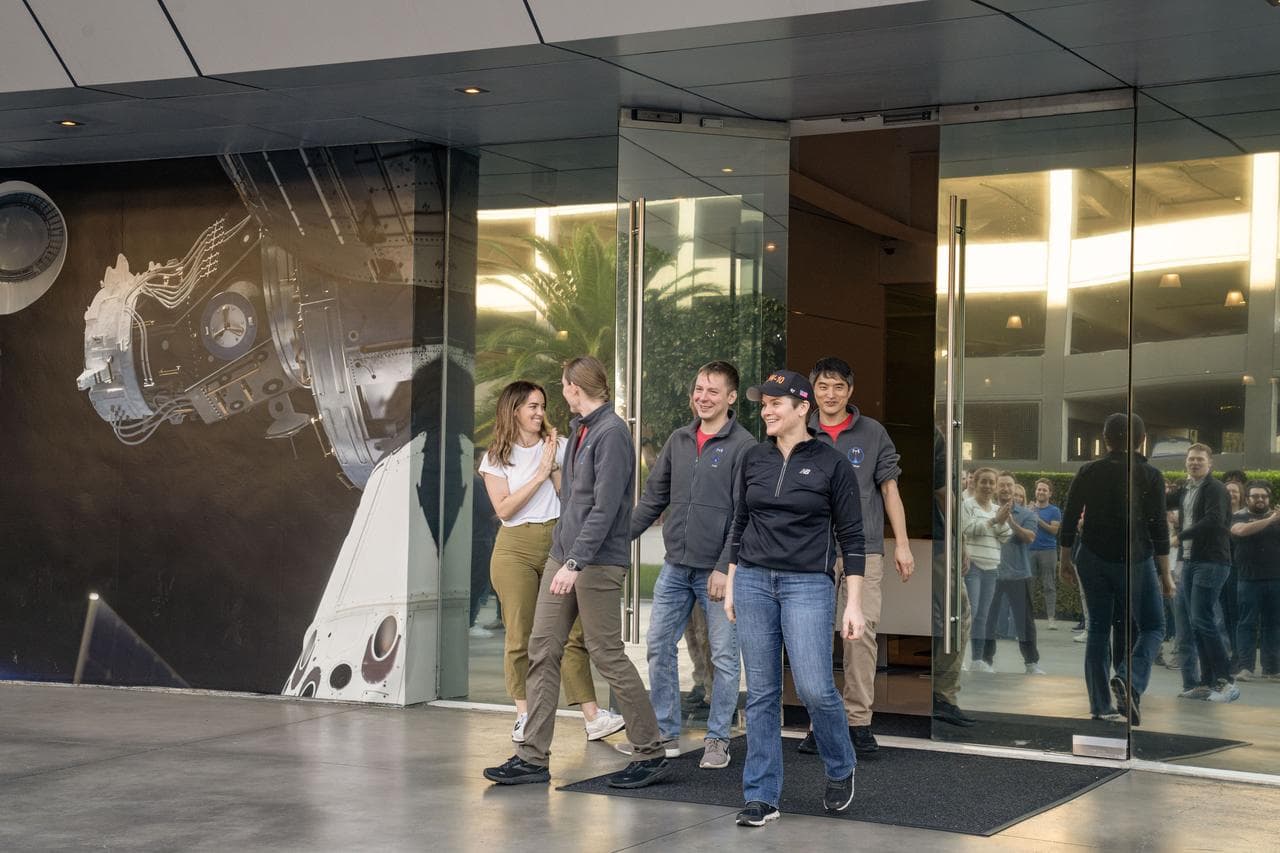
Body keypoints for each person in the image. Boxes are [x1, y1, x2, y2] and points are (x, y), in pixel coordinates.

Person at [484, 357, 671, 788]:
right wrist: (562, 555)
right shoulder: (580, 431)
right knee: (542, 648)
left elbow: (606, 509)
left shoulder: (611, 433)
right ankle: (532, 757)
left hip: (596, 562)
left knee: (606, 653)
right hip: (563, 555)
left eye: (563, 386)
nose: (558, 395)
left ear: (573, 387)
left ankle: (650, 750)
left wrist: (575, 561)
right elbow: (571, 501)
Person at [724, 369, 865, 827]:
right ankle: (761, 796)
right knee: (762, 692)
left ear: (802, 408)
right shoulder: (753, 459)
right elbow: (739, 522)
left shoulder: (831, 463)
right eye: (762, 403)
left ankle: (840, 764)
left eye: (775, 403)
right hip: (753, 581)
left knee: (813, 688)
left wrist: (854, 603)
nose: (765, 410)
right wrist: (731, 579)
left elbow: (853, 537)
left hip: (808, 584)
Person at [477, 381, 623, 745]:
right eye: (532, 407)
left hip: (558, 542)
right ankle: (524, 715)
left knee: (573, 634)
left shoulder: (557, 446)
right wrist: (541, 472)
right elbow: (504, 508)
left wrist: (555, 466)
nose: (540, 412)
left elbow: (568, 495)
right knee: (520, 634)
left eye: (542, 405)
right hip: (515, 547)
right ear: (514, 411)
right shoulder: (496, 457)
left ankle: (592, 717)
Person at [623, 361, 754, 769]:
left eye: (713, 391)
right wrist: (616, 539)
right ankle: (665, 730)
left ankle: (718, 738)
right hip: (676, 567)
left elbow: (742, 513)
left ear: (731, 398)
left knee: (724, 656)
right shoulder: (679, 440)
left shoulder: (744, 446)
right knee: (658, 645)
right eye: (699, 389)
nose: (703, 397)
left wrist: (723, 566)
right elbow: (652, 498)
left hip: (716, 571)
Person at [794, 356, 913, 757]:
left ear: (850, 391)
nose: (830, 395)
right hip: (812, 552)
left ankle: (858, 721)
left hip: (864, 550)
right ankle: (819, 723)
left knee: (860, 636)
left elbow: (890, 490)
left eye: (838, 387)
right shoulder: (799, 430)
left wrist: (902, 543)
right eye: (823, 387)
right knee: (814, 637)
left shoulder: (872, 432)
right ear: (813, 390)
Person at [1059, 413, 1172, 723]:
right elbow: (1158, 526)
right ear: (1142, 439)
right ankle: (1129, 680)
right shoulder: (1149, 475)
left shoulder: (1089, 470)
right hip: (1134, 560)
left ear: (1106, 440)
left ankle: (1100, 705)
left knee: (1097, 627)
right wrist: (1165, 573)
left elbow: (1070, 516)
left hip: (1092, 556)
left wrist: (1065, 559)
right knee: (1152, 626)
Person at [1168, 443, 1239, 702]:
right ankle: (1207, 683)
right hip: (1189, 561)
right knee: (1196, 623)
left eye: (1199, 460)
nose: (1194, 463)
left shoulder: (1216, 489)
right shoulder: (1186, 488)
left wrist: (1180, 536)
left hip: (1211, 562)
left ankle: (1225, 679)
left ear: (1210, 464)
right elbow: (1161, 501)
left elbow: (1214, 520)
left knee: (1202, 619)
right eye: (1190, 459)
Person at [980, 473, 1044, 674]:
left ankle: (1031, 663)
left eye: (1009, 485)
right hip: (991, 574)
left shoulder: (1027, 515)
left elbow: (1030, 538)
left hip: (1019, 575)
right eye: (1002, 485)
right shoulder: (985, 511)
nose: (1006, 489)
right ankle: (985, 660)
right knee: (987, 620)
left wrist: (1011, 522)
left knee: (1024, 622)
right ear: (997, 488)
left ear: (1015, 488)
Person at [960, 468, 1011, 670]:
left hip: (991, 568)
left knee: (983, 615)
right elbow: (968, 529)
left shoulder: (996, 508)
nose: (988, 486)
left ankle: (977, 660)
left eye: (992, 482)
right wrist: (994, 522)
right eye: (984, 482)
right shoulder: (967, 506)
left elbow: (1006, 536)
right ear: (975, 483)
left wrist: (997, 521)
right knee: (969, 613)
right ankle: (961, 658)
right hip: (973, 567)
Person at [1229, 481, 1280, 681]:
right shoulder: (1239, 516)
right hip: (1248, 580)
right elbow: (1241, 531)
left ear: (1269, 499)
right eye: (1255, 496)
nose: (1260, 499)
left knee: (1273, 624)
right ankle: (1245, 668)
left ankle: (1272, 669)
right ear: (1247, 499)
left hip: (1276, 579)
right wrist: (1273, 518)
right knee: (1247, 624)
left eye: (1264, 496)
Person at [1029, 478, 1063, 629]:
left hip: (1048, 551)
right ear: (1035, 491)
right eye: (1039, 489)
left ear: (1050, 494)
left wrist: (1037, 519)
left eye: (1044, 490)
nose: (1041, 492)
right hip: (1029, 550)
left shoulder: (1054, 510)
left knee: (1049, 585)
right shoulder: (1028, 508)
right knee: (1028, 585)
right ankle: (1027, 617)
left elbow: (1054, 530)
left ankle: (1051, 619)